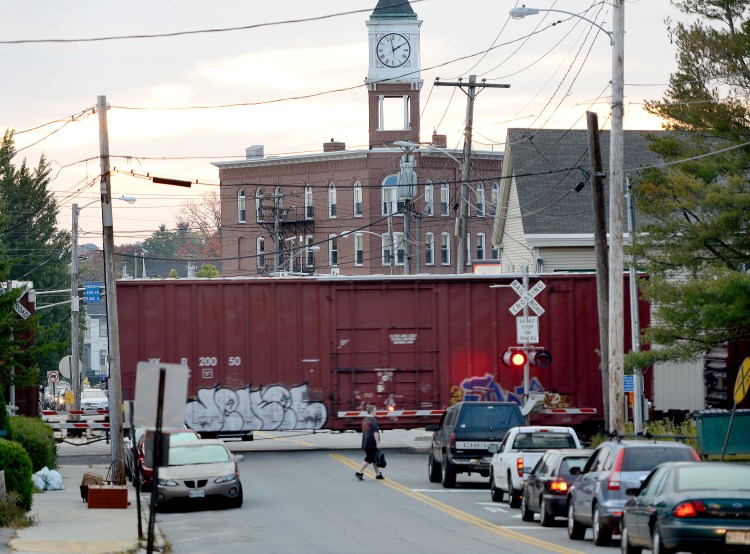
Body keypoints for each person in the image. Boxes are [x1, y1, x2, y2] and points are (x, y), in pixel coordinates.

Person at [355, 405, 383, 480]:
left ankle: (378, 474)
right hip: (372, 443)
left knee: (374, 459)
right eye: (375, 410)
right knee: (370, 458)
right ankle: (359, 472)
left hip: (365, 442)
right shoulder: (373, 420)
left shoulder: (364, 419)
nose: (376, 411)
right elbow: (375, 432)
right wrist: (378, 443)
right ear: (372, 411)